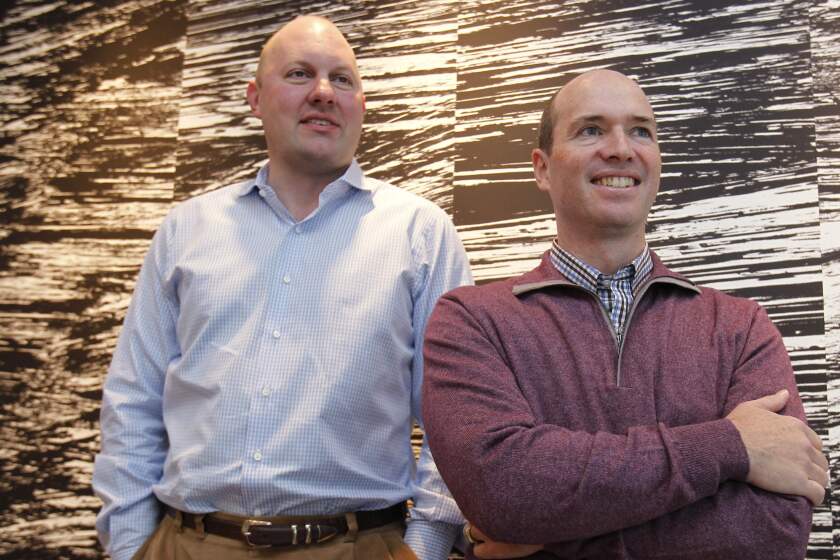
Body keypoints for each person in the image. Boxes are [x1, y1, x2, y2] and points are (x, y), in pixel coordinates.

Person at [93, 15, 471, 560]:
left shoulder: (421, 233)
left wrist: (427, 545)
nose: (323, 92)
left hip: (358, 546)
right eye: (300, 73)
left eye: (342, 80)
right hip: (187, 545)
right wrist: (130, 545)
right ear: (255, 97)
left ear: (361, 104)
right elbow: (134, 400)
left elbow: (452, 418)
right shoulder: (186, 230)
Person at [422, 69, 828, 559]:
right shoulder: (470, 321)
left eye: (641, 131)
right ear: (542, 168)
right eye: (591, 129)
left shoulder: (741, 328)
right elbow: (503, 492)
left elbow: (772, 534)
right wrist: (729, 445)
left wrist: (551, 534)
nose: (620, 149)